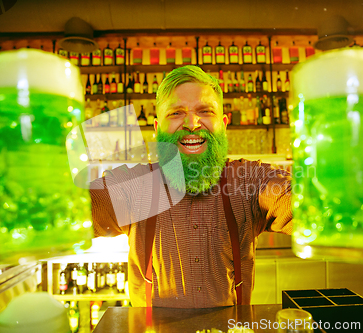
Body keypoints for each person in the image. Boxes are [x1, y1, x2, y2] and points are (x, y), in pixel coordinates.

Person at [90, 65, 292, 308]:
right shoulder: (135, 186)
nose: (192, 123)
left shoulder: (250, 180)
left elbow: (296, 201)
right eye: (176, 113)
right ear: (157, 129)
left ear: (223, 124)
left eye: (205, 111)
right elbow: (78, 206)